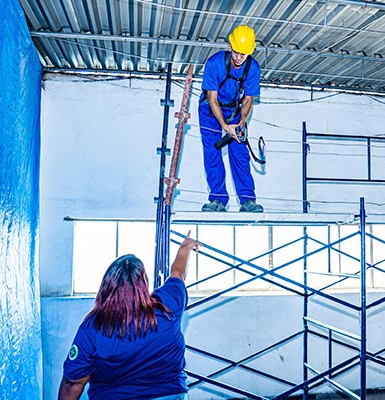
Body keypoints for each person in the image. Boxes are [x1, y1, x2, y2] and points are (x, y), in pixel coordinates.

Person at [58, 233, 199, 400]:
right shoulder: (168, 304)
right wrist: (186, 247)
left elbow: (73, 382)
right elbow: (178, 273)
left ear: (106, 286)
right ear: (144, 284)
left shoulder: (93, 325)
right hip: (170, 395)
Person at [199, 25, 263, 213]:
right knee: (212, 151)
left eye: (243, 54)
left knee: (239, 152)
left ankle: (247, 200)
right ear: (229, 47)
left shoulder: (253, 68)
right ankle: (218, 199)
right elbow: (212, 99)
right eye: (236, 52)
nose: (238, 58)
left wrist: (241, 123)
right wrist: (224, 126)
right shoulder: (214, 63)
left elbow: (248, 99)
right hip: (210, 110)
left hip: (236, 111)